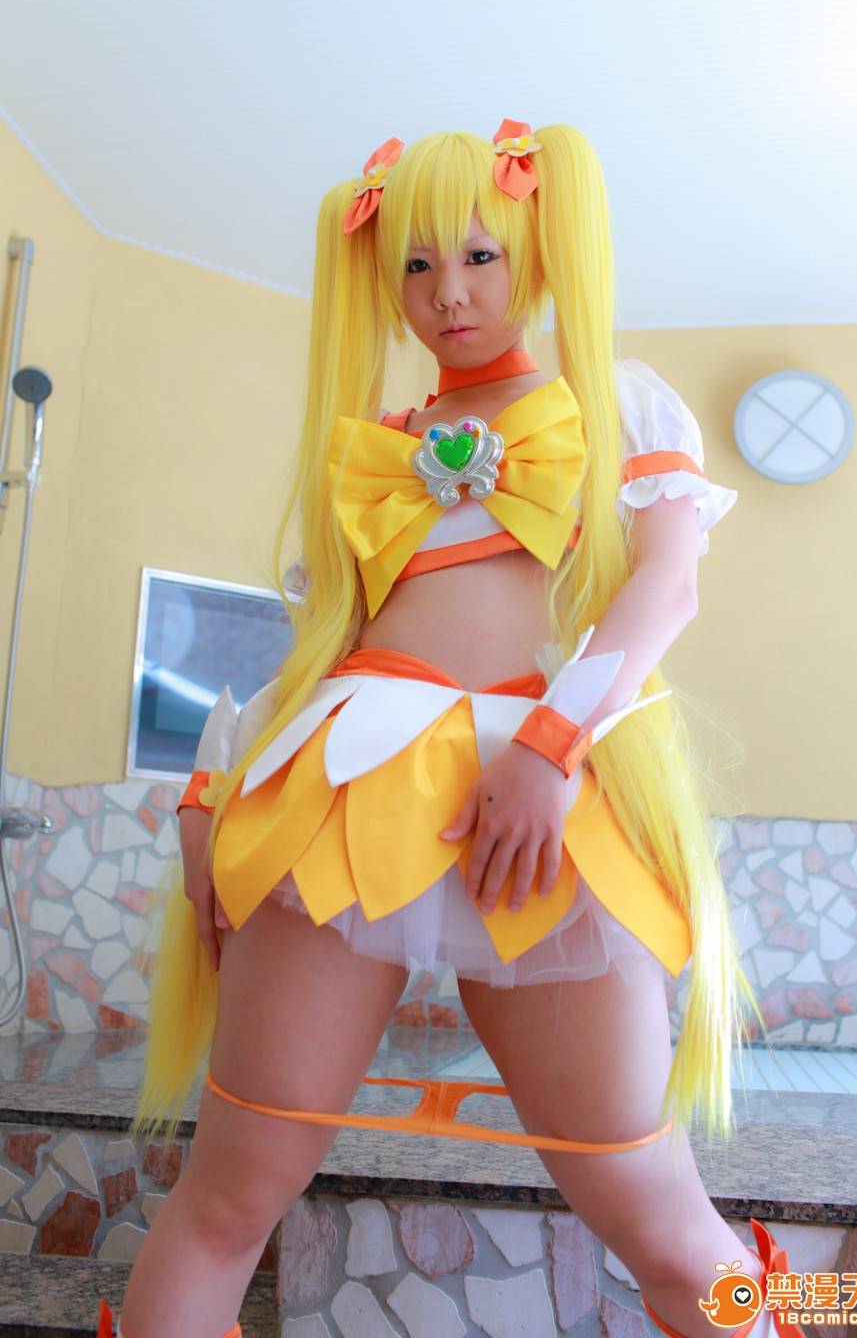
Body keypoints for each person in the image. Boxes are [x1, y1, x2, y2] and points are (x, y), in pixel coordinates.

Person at [97, 121, 790, 1338]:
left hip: (542, 803)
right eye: (414, 265)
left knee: (658, 1216)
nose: (448, 293)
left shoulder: (615, 400)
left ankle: (809, 1318)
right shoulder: (376, 448)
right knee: (232, 1193)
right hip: (341, 789)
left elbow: (665, 588)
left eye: (478, 255)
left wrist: (552, 748)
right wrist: (210, 800)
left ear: (536, 248)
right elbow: (314, 652)